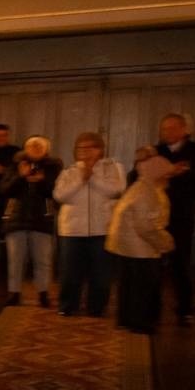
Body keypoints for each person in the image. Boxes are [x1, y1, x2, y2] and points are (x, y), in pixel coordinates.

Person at [53, 132, 125, 318]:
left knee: (101, 273)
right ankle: (68, 305)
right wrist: (81, 179)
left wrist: (92, 177)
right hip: (72, 229)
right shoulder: (68, 172)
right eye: (80, 148)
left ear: (100, 150)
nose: (85, 152)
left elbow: (116, 190)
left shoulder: (111, 168)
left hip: (102, 228)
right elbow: (60, 195)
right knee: (70, 272)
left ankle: (97, 307)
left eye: (90, 147)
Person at [151, 113, 195, 326]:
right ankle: (152, 309)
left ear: (184, 130)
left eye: (172, 127)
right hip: (156, 217)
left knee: (180, 264)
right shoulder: (156, 152)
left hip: (182, 216)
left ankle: (185, 309)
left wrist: (180, 173)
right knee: (154, 264)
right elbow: (143, 178)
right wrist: (168, 173)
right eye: (164, 128)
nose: (167, 132)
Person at [108, 149, 176, 334]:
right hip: (141, 248)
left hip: (128, 246)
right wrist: (166, 243)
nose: (169, 178)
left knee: (128, 285)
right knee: (142, 287)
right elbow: (146, 226)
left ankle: (125, 319)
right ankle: (140, 323)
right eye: (167, 174)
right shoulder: (149, 192)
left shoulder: (140, 187)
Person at [0, 134, 61, 307]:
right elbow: (4, 190)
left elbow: (56, 192)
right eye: (31, 146)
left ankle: (43, 293)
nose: (35, 149)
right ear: (25, 149)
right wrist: (21, 176)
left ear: (46, 150)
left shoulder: (53, 166)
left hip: (42, 219)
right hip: (16, 219)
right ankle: (14, 293)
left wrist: (41, 181)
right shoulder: (14, 165)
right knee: (15, 259)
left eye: (39, 146)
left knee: (43, 260)